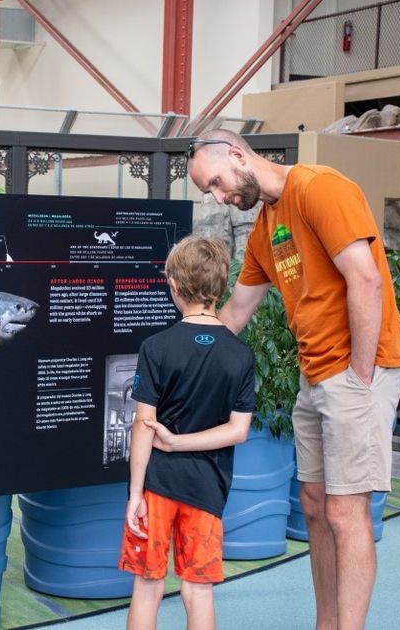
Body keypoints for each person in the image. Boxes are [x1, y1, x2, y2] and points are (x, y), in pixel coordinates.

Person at [186, 129, 400, 630]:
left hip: (360, 370)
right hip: (316, 374)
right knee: (313, 505)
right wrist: (180, 353)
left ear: (237, 155)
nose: (221, 198)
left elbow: (367, 279)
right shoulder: (267, 228)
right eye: (212, 193)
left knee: (345, 511)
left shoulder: (318, 187)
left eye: (218, 183)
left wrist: (358, 376)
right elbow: (234, 315)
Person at [119, 235, 255, 630]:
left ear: (174, 286)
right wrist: (184, 443)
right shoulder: (240, 355)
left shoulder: (155, 347)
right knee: (198, 590)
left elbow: (144, 425)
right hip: (208, 489)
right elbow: (238, 431)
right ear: (219, 288)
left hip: (158, 485)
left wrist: (135, 494)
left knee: (148, 586)